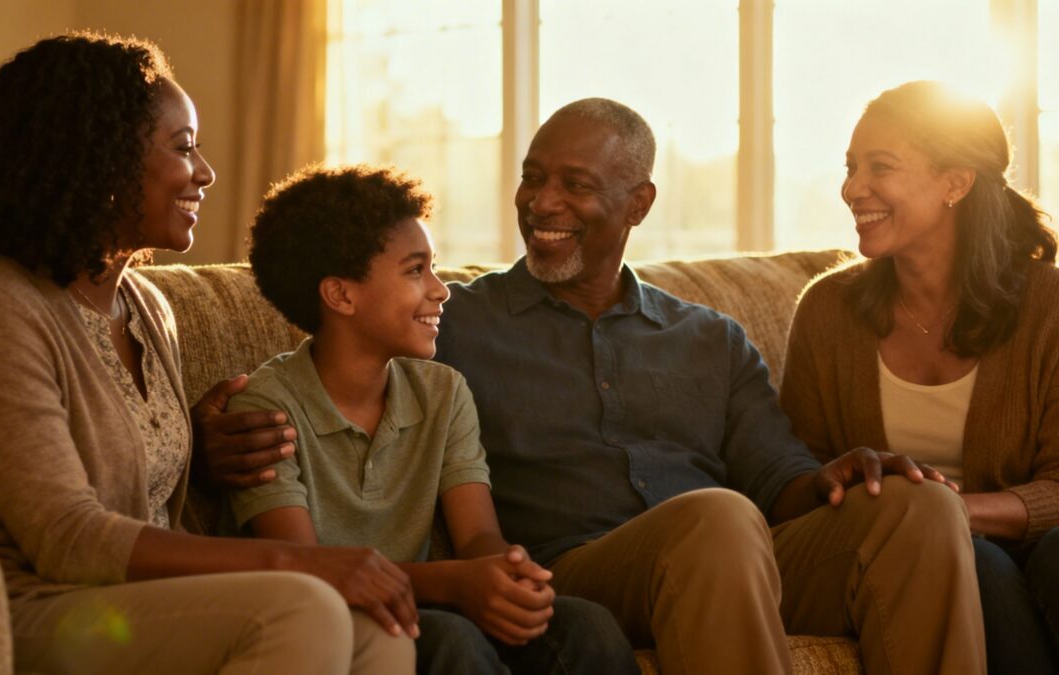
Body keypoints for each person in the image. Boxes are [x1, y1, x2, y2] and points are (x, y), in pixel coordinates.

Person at [203, 97, 986, 674]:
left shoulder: (710, 338)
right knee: (715, 517)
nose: (542, 203)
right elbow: (335, 361)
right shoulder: (455, 325)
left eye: (575, 184)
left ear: (638, 202)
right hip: (577, 573)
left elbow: (779, 479)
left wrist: (838, 477)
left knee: (919, 507)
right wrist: (210, 431)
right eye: (532, 179)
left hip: (735, 564)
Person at [0, 33, 416, 674]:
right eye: (184, 148)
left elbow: (136, 474)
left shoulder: (148, 307)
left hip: (139, 606)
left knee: (378, 625)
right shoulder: (0, 303)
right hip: (40, 609)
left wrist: (203, 452)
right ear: (104, 160)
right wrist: (300, 561)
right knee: (305, 606)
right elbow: (68, 537)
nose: (206, 173)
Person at [224, 164, 638, 675]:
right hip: (335, 619)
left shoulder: (443, 391)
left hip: (429, 602)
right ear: (342, 295)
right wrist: (454, 584)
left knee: (586, 626)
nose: (441, 290)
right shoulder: (267, 408)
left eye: (433, 268)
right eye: (416, 270)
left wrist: (505, 573)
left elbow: (477, 536)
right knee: (452, 641)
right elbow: (305, 569)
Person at [780, 80, 1059, 675]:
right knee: (978, 565)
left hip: (1035, 547)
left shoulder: (1049, 306)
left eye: (880, 167)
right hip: (910, 557)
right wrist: (916, 518)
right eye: (851, 168)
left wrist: (949, 511)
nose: (852, 189)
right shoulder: (828, 310)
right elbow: (799, 478)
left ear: (955, 183)